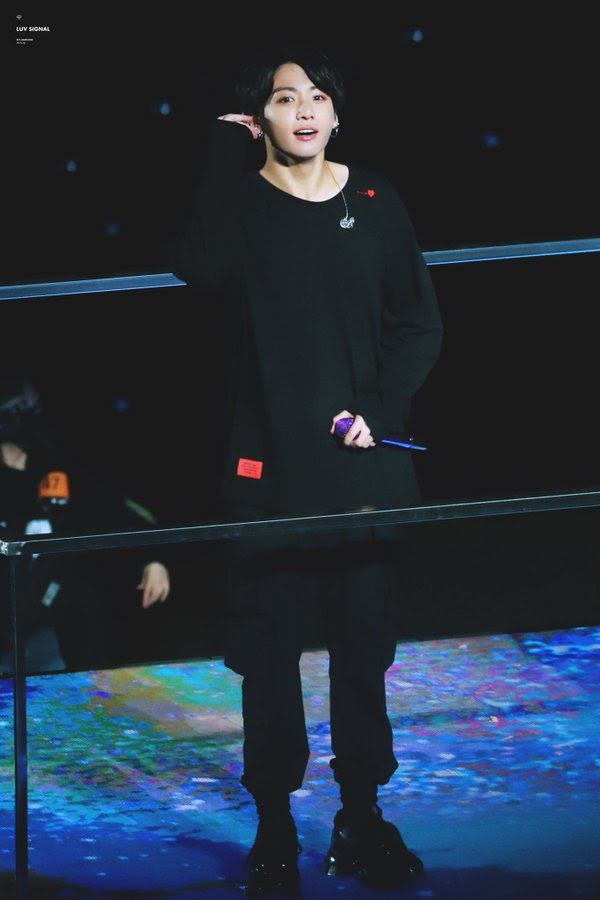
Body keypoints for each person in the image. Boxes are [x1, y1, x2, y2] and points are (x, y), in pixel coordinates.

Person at [164, 43, 443, 897]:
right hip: (268, 478)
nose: (306, 110)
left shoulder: (375, 198)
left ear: (337, 110)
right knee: (269, 657)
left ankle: (362, 815)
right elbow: (197, 264)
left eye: (318, 95)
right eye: (286, 99)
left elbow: (418, 323)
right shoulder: (241, 205)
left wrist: (379, 414)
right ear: (260, 118)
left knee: (364, 654)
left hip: (361, 474)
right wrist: (222, 154)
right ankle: (276, 826)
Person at [0, 378, 171, 673]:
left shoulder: (57, 466)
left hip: (55, 627)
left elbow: (120, 512)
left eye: (27, 406)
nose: (24, 414)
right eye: (15, 408)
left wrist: (154, 560)